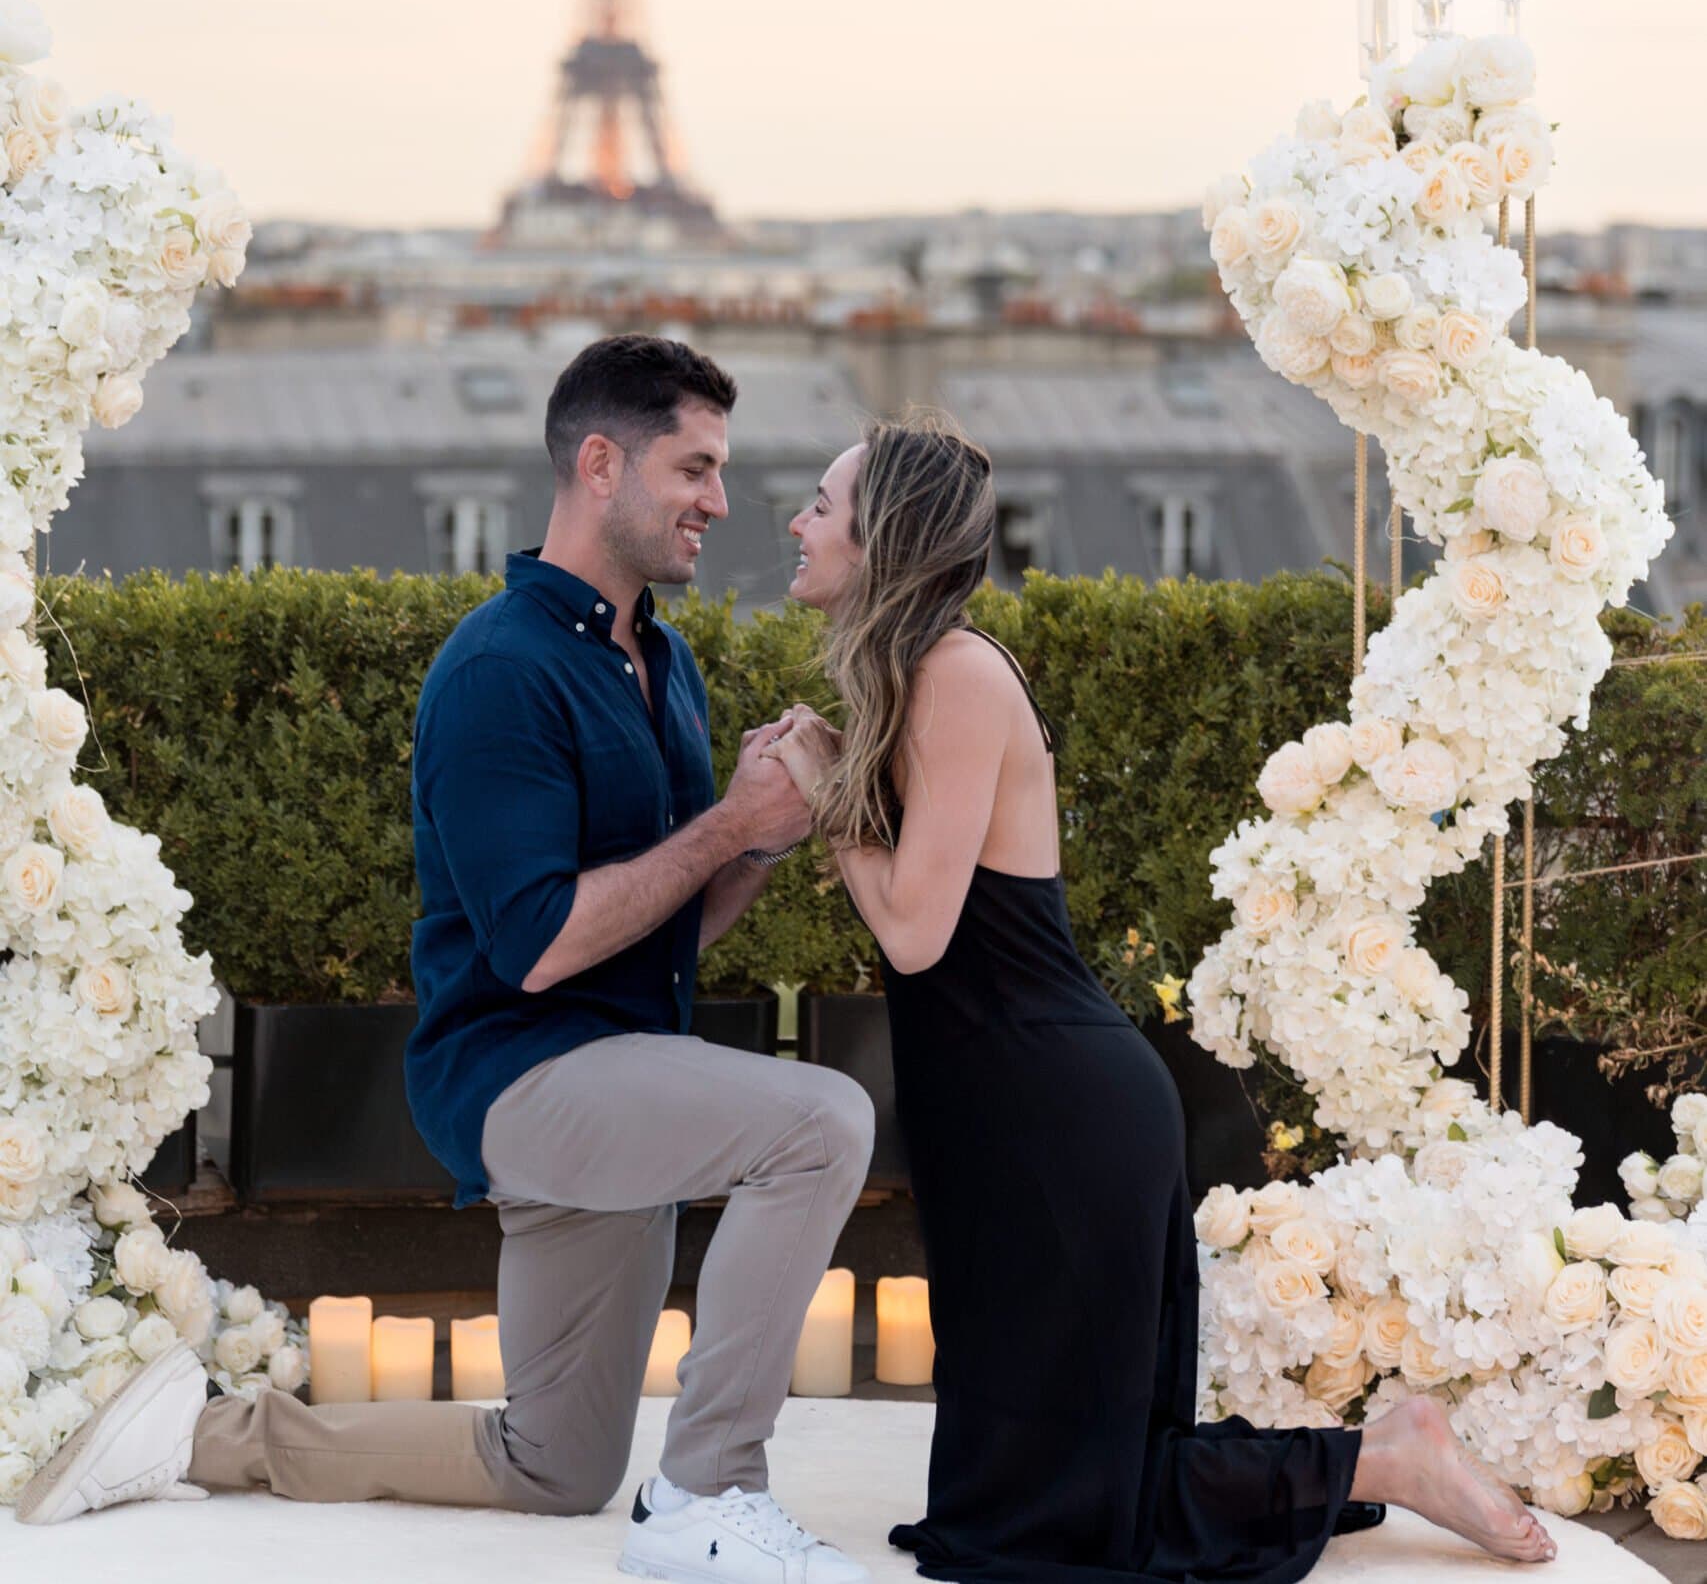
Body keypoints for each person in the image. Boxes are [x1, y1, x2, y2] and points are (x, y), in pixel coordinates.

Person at [17, 335, 875, 1584]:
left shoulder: (665, 663)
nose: (720, 502)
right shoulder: (497, 670)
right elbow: (535, 948)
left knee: (556, 1464)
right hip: (526, 1078)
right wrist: (730, 823)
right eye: (695, 468)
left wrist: (763, 835)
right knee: (825, 1119)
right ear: (599, 463)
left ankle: (187, 1434)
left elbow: (659, 921)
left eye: (723, 471)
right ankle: (709, 1489)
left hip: (624, 1076)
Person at [761, 410, 1558, 1583]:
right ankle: (1379, 1451)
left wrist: (825, 794)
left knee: (1079, 1515)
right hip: (1001, 1110)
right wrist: (837, 761)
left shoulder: (958, 672)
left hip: (1054, 1112)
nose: (798, 519)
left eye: (823, 503)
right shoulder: (918, 678)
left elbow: (918, 933)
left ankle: (1387, 1458)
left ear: (883, 538)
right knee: (1026, 1501)